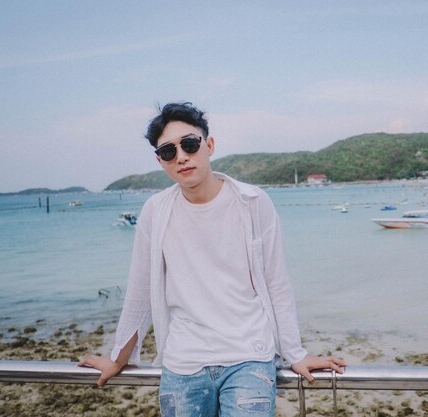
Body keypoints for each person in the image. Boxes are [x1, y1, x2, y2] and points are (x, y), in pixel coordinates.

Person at [79, 102, 346, 416]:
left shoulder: (253, 202)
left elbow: (277, 284)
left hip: (249, 358)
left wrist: (295, 354)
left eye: (189, 144)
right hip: (183, 363)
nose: (181, 156)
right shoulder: (156, 211)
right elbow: (140, 290)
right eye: (168, 151)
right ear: (160, 160)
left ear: (209, 145)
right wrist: (118, 359)